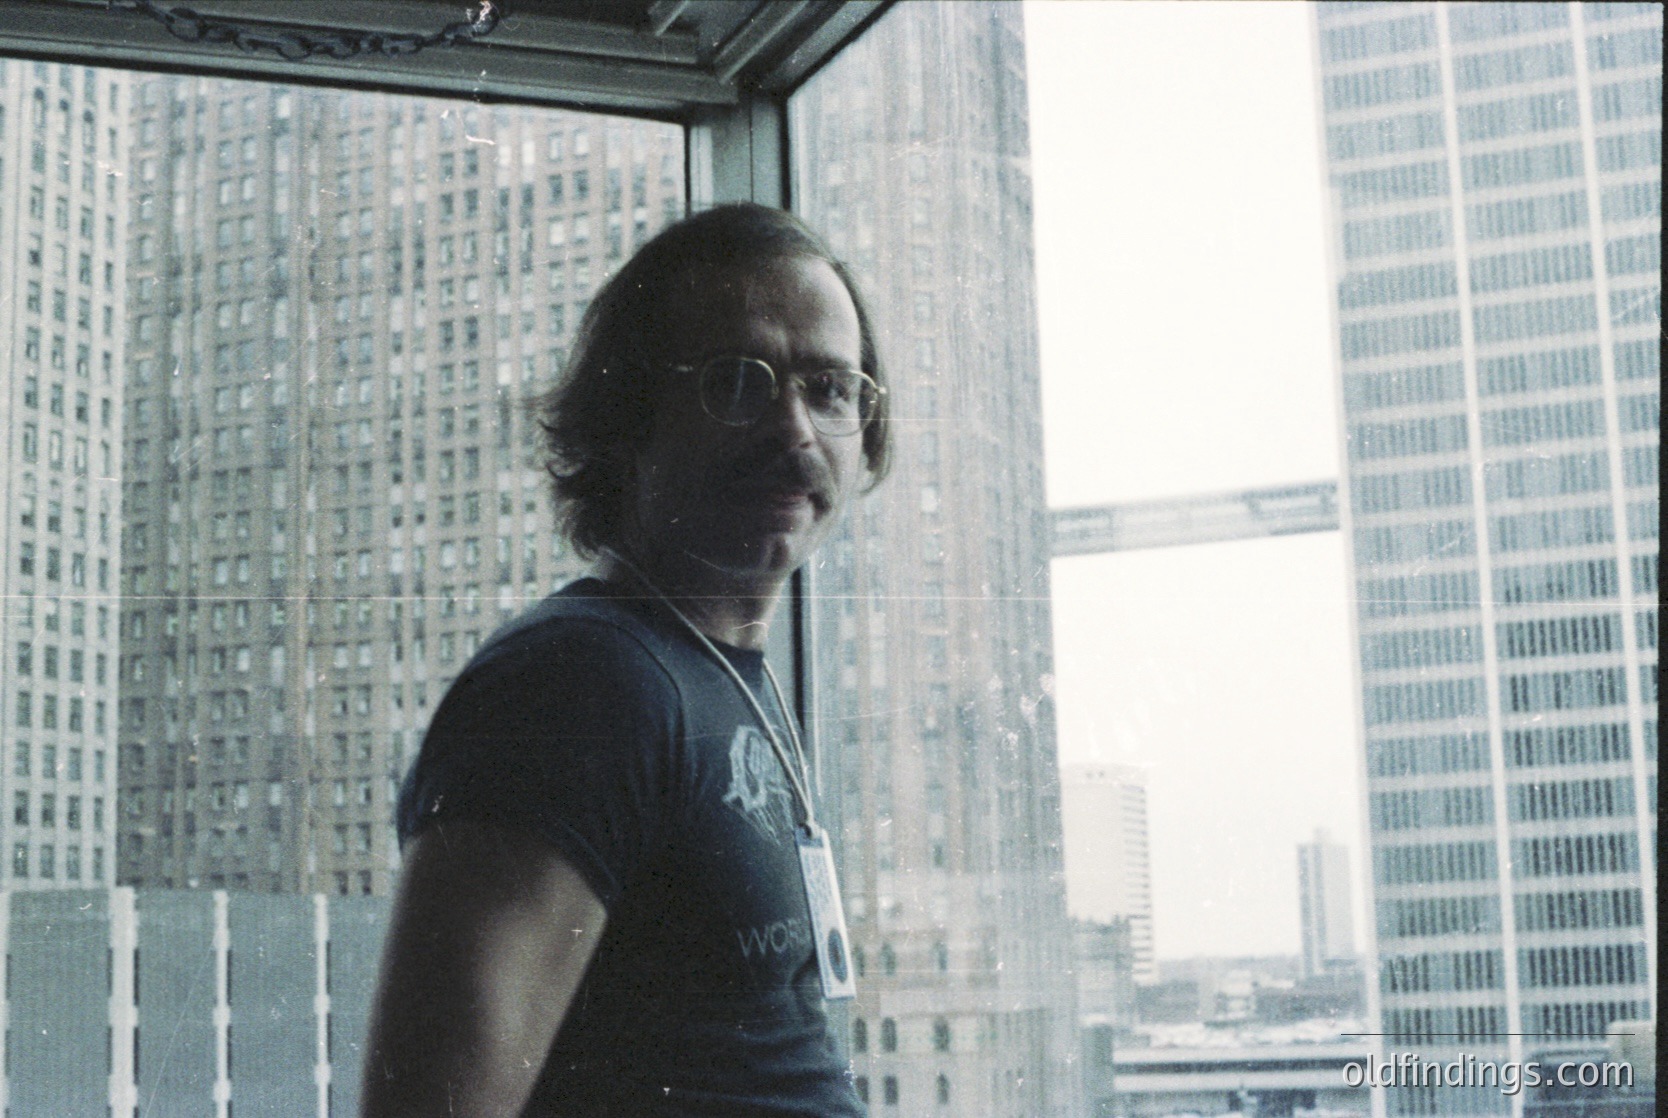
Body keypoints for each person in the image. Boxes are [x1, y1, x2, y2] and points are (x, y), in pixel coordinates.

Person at [361, 203, 891, 1118]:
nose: (797, 430)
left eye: (830, 389)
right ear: (628, 415)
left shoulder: (720, 669)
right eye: (738, 382)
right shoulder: (580, 684)